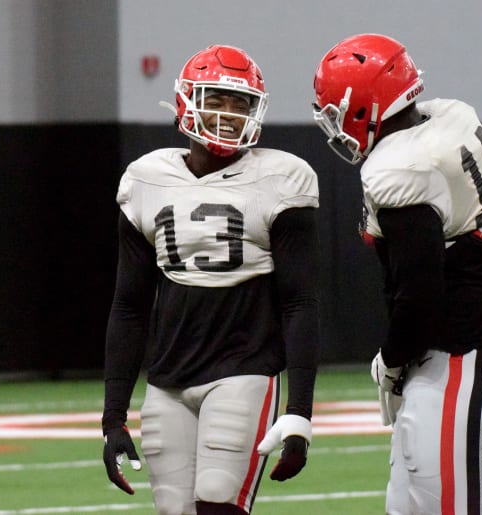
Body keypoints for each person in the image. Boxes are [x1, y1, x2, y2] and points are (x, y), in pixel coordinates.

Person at [312, 34, 482, 514]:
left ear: (362, 108)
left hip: (464, 355)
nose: (333, 125)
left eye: (335, 111)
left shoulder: (399, 165)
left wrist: (393, 358)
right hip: (476, 348)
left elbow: (419, 291)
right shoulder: (450, 115)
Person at [102, 44, 320, 515]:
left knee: (219, 504)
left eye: (239, 104)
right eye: (216, 99)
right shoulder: (146, 179)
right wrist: (113, 415)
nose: (227, 114)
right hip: (167, 379)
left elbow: (299, 303)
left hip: (244, 368)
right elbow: (129, 306)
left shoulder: (281, 178)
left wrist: (299, 411)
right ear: (187, 100)